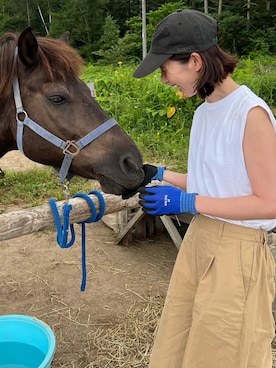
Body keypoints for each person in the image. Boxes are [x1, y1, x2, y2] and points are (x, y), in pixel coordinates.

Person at [132, 8, 276, 368]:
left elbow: (269, 203)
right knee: (179, 339)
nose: (164, 80)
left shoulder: (250, 114)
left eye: (165, 69)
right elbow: (211, 182)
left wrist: (188, 201)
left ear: (194, 61)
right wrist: (162, 173)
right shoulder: (203, 112)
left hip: (237, 251)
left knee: (222, 352)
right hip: (200, 240)